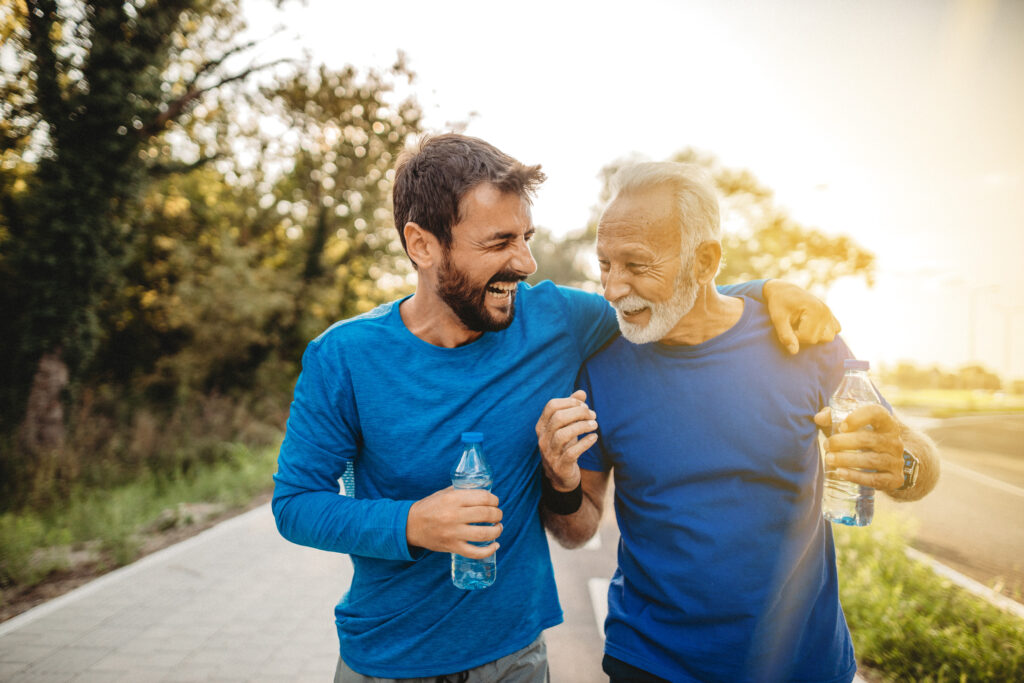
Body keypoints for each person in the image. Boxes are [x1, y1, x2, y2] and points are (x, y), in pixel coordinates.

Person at [272, 134, 842, 682]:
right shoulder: (342, 357)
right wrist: (411, 523)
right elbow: (295, 504)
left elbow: (673, 297)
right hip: (385, 656)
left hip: (513, 657)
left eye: (526, 236)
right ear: (422, 245)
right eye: (499, 243)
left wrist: (766, 291)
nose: (525, 262)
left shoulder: (558, 322)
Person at [536, 161, 940, 683]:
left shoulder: (802, 342)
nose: (613, 288)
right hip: (651, 662)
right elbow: (578, 527)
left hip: (803, 664)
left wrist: (902, 466)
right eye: (605, 264)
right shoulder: (601, 366)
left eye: (635, 265)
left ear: (705, 261)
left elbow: (918, 466)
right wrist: (562, 483)